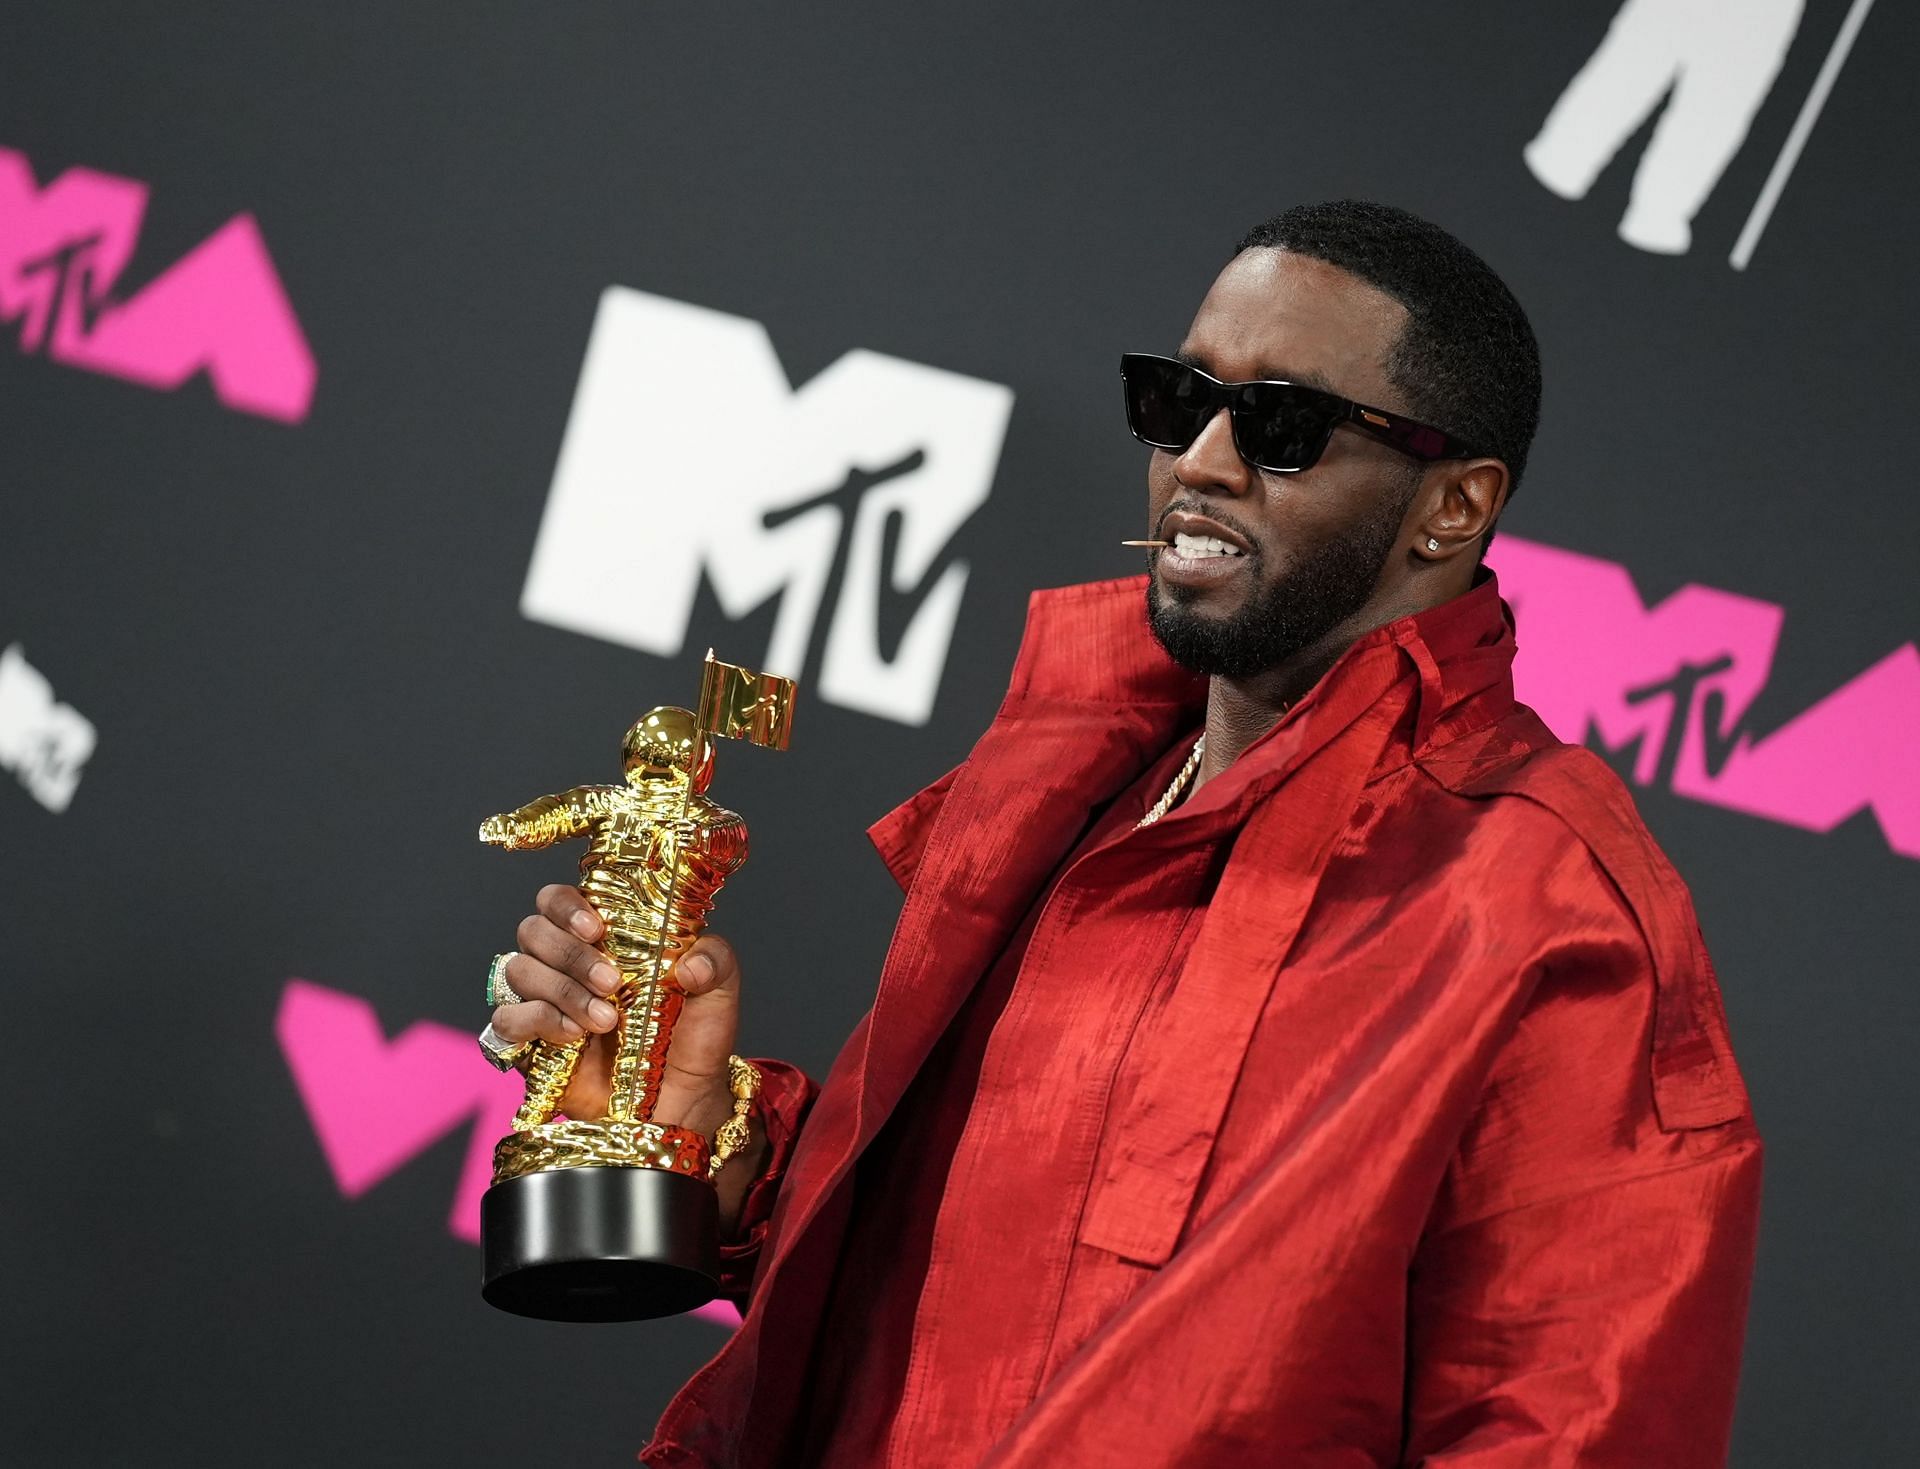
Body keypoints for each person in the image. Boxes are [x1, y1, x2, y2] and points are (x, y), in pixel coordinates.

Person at [483, 200, 1762, 1467]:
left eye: (1280, 424)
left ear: (1452, 508)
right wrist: (714, 1138)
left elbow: (1578, 1424)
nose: (1198, 460)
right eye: (1177, 398)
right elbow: (967, 1299)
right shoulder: (1071, 778)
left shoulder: (1545, 896)